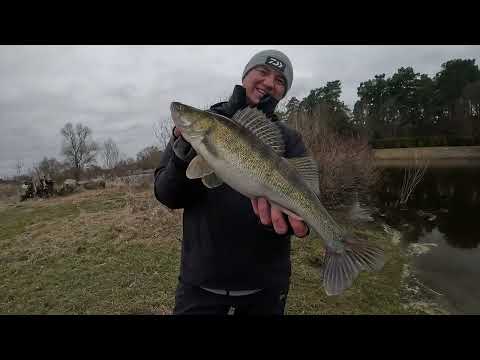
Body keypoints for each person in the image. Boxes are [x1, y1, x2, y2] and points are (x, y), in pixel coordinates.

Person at [154, 49, 309, 315]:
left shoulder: (288, 140)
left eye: (280, 80)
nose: (270, 82)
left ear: (282, 93)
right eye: (263, 72)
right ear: (245, 75)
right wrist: (181, 157)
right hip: (200, 286)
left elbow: (304, 217)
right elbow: (166, 194)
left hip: (265, 289)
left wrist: (282, 223)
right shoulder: (203, 125)